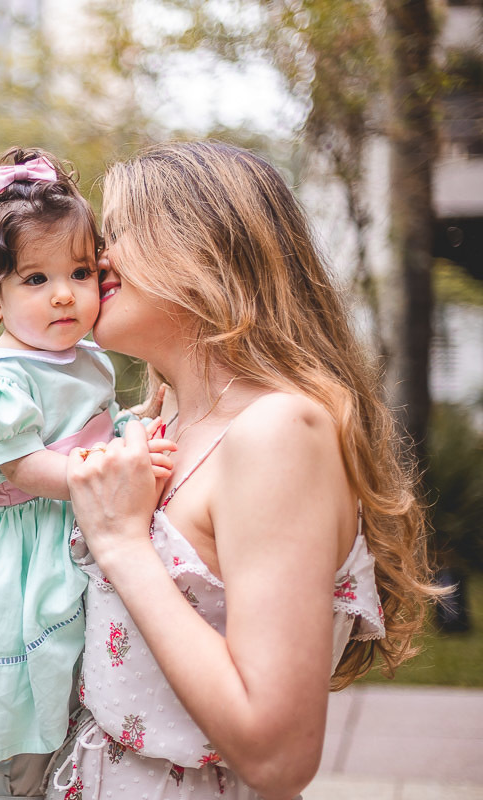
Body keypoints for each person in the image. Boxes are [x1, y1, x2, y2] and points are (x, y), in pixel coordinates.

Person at [46, 140, 439, 800]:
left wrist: (120, 543)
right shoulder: (159, 426)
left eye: (117, 232)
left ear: (203, 245)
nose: (94, 259)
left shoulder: (277, 431)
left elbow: (278, 757)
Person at [0, 147, 173, 794]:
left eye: (80, 272)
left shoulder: (87, 357)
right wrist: (113, 465)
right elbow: (26, 465)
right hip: (23, 549)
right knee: (28, 696)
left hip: (70, 526)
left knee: (83, 682)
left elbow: (88, 426)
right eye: (37, 279)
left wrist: (134, 423)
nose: (65, 294)